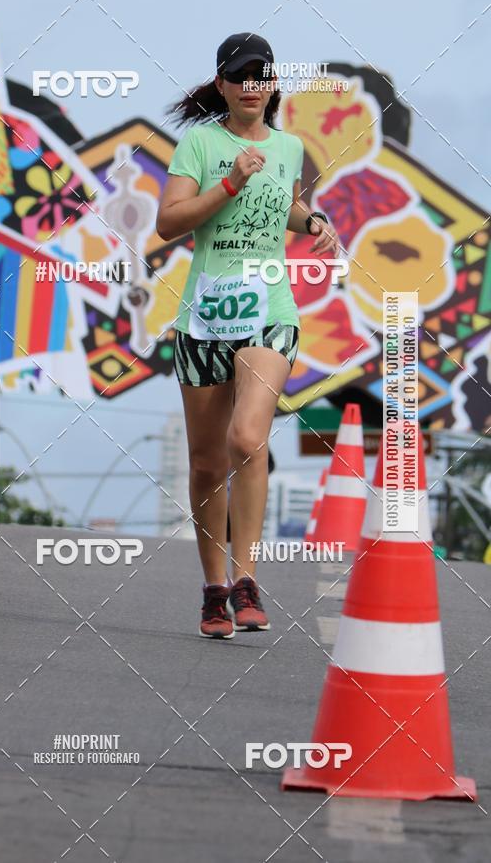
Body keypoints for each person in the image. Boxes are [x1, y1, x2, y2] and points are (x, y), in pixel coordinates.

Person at [156, 33, 339, 638]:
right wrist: (229, 181)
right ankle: (213, 591)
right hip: (206, 316)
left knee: (247, 435)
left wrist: (310, 218)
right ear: (222, 86)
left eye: (262, 76)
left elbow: (283, 203)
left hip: (269, 309)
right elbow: (169, 222)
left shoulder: (289, 146)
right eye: (241, 77)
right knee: (207, 462)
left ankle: (246, 579)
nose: (252, 87)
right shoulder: (201, 143)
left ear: (273, 85)